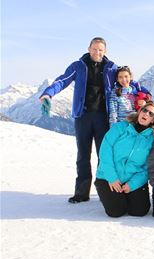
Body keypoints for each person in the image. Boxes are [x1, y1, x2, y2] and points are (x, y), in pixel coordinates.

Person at [39, 37, 117, 203]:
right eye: (95, 49)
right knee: (83, 155)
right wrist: (48, 93)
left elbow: (128, 82)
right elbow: (62, 80)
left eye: (101, 50)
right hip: (83, 116)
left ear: (105, 52)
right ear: (89, 49)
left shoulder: (111, 68)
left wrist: (143, 95)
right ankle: (81, 193)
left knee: (104, 156)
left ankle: (103, 191)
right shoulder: (78, 66)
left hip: (103, 117)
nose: (97, 52)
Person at [94, 102, 154, 217]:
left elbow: (147, 167)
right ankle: (109, 194)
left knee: (140, 211)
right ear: (139, 112)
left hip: (131, 179)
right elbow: (105, 152)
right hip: (108, 177)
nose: (146, 114)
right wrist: (112, 178)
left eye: (151, 114)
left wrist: (132, 185)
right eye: (144, 110)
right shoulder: (120, 128)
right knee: (116, 211)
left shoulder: (152, 140)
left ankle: (122, 196)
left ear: (153, 120)